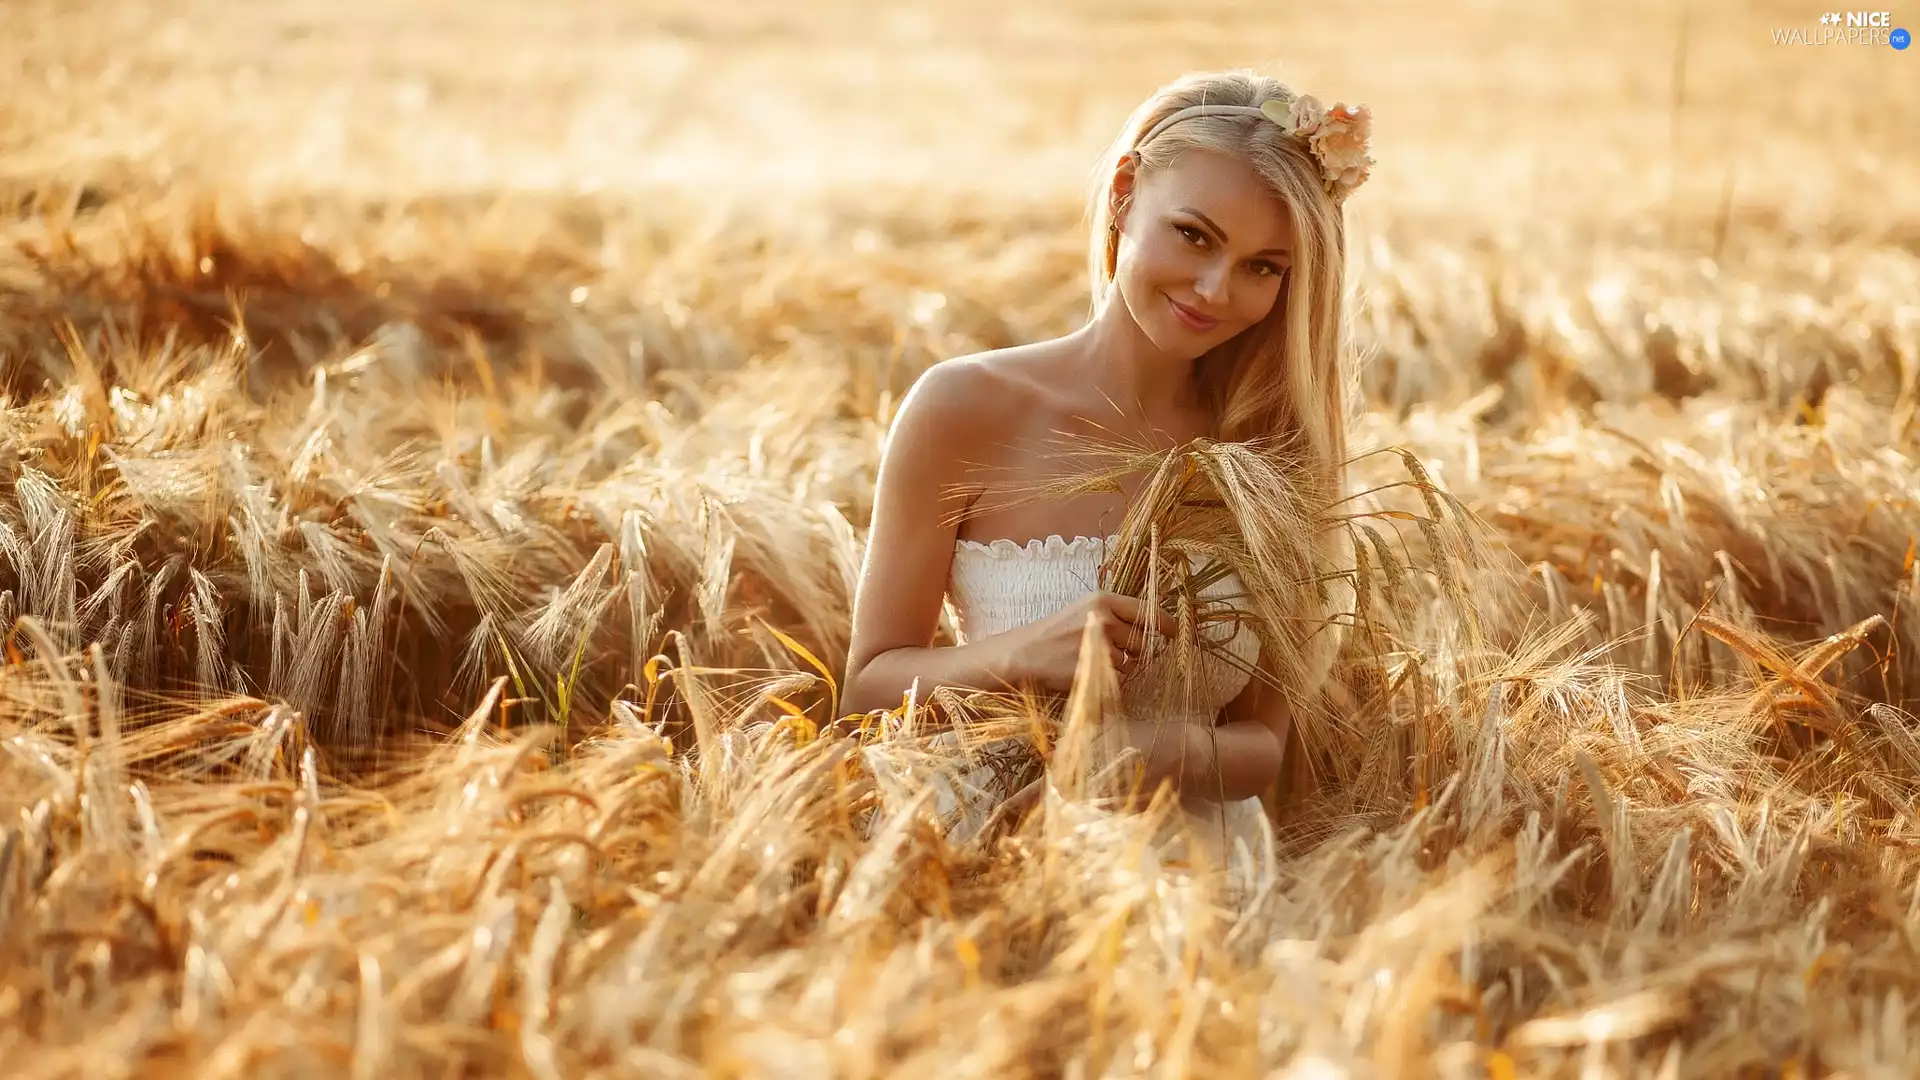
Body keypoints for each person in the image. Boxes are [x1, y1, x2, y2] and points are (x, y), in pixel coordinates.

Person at [840, 69, 1370, 875]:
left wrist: (1162, 753)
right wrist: (1024, 655)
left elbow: (1266, 741)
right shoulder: (964, 407)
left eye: (1264, 267)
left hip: (1201, 881)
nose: (1215, 290)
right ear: (1125, 195)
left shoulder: (1271, 450)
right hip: (983, 860)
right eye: (1194, 235)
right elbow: (868, 691)